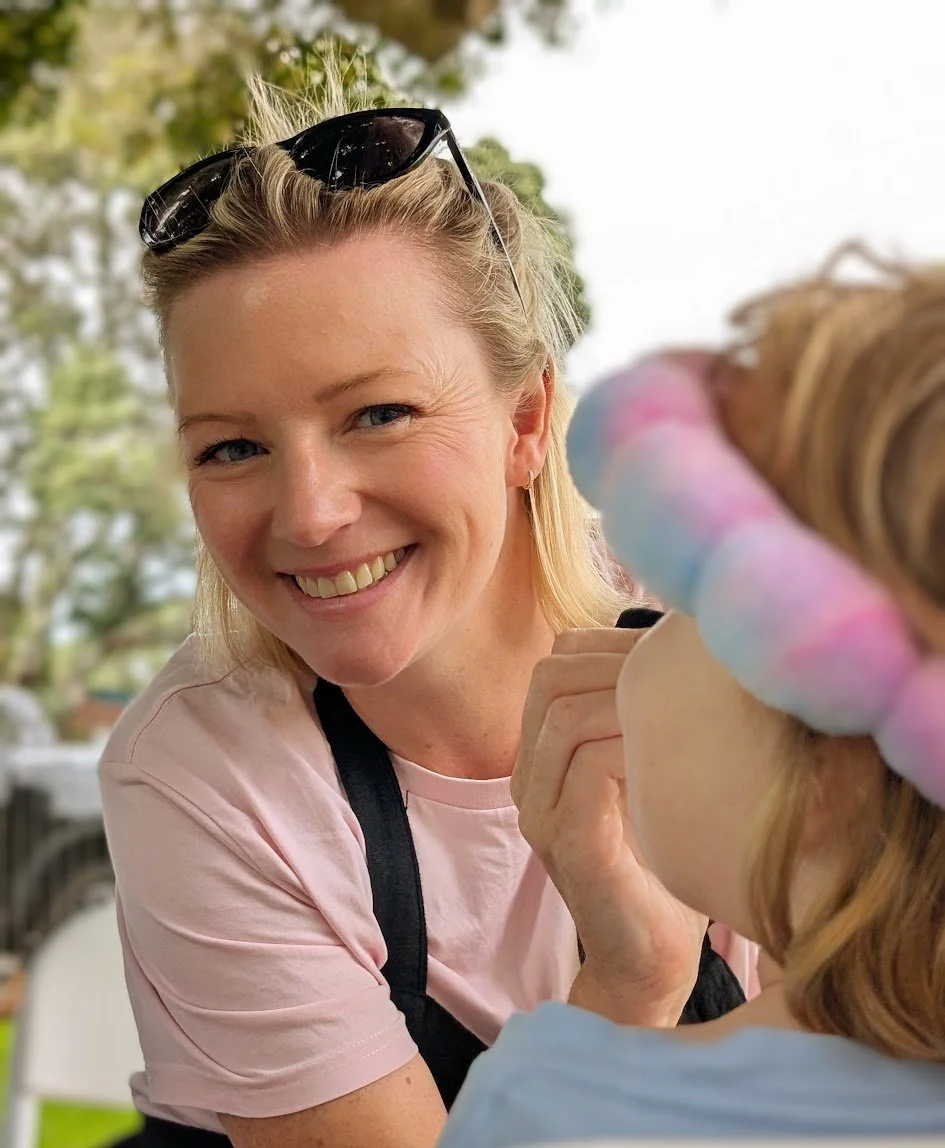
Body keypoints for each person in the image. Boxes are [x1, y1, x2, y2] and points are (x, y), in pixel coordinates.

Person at [98, 63, 753, 1148]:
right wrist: (635, 978)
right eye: (233, 445)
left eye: (379, 413)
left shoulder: (742, 657)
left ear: (529, 418)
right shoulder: (204, 771)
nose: (309, 514)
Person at [439, 249, 945, 1146]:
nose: (639, 629)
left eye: (687, 597)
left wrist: (619, 998)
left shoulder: (552, 1106)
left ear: (830, 763)